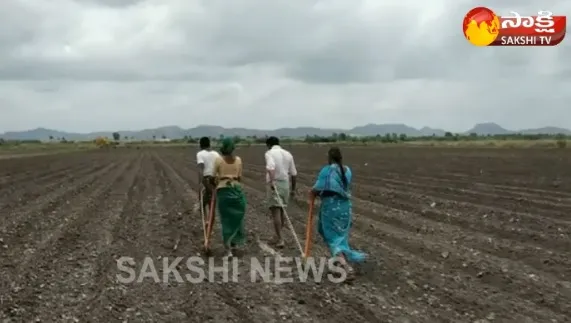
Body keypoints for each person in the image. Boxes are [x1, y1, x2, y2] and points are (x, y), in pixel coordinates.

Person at [310, 147, 366, 278]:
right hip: (345, 208)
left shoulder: (328, 170)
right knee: (340, 237)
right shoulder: (347, 171)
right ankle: (338, 265)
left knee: (333, 238)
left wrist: (312, 193)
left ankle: (347, 269)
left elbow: (318, 188)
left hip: (331, 208)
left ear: (329, 157)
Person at [213, 138, 247, 257]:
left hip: (223, 191)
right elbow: (240, 176)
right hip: (236, 190)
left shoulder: (218, 160)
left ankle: (228, 250)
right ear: (233, 148)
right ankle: (234, 244)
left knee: (226, 220)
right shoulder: (238, 160)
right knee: (237, 217)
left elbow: (214, 177)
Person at [264, 136, 297, 248]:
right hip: (285, 184)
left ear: (269, 145)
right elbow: (294, 173)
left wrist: (272, 181)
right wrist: (293, 190)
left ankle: (280, 239)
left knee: (276, 213)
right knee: (282, 211)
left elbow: (270, 167)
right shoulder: (288, 154)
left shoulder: (269, 153)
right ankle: (277, 236)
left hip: (275, 183)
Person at [196, 137, 220, 217]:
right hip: (216, 180)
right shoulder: (216, 154)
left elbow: (200, 169)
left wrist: (200, 183)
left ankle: (205, 221)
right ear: (209, 144)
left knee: (204, 201)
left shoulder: (200, 154)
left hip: (207, 179)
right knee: (212, 204)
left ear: (200, 145)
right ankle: (210, 226)